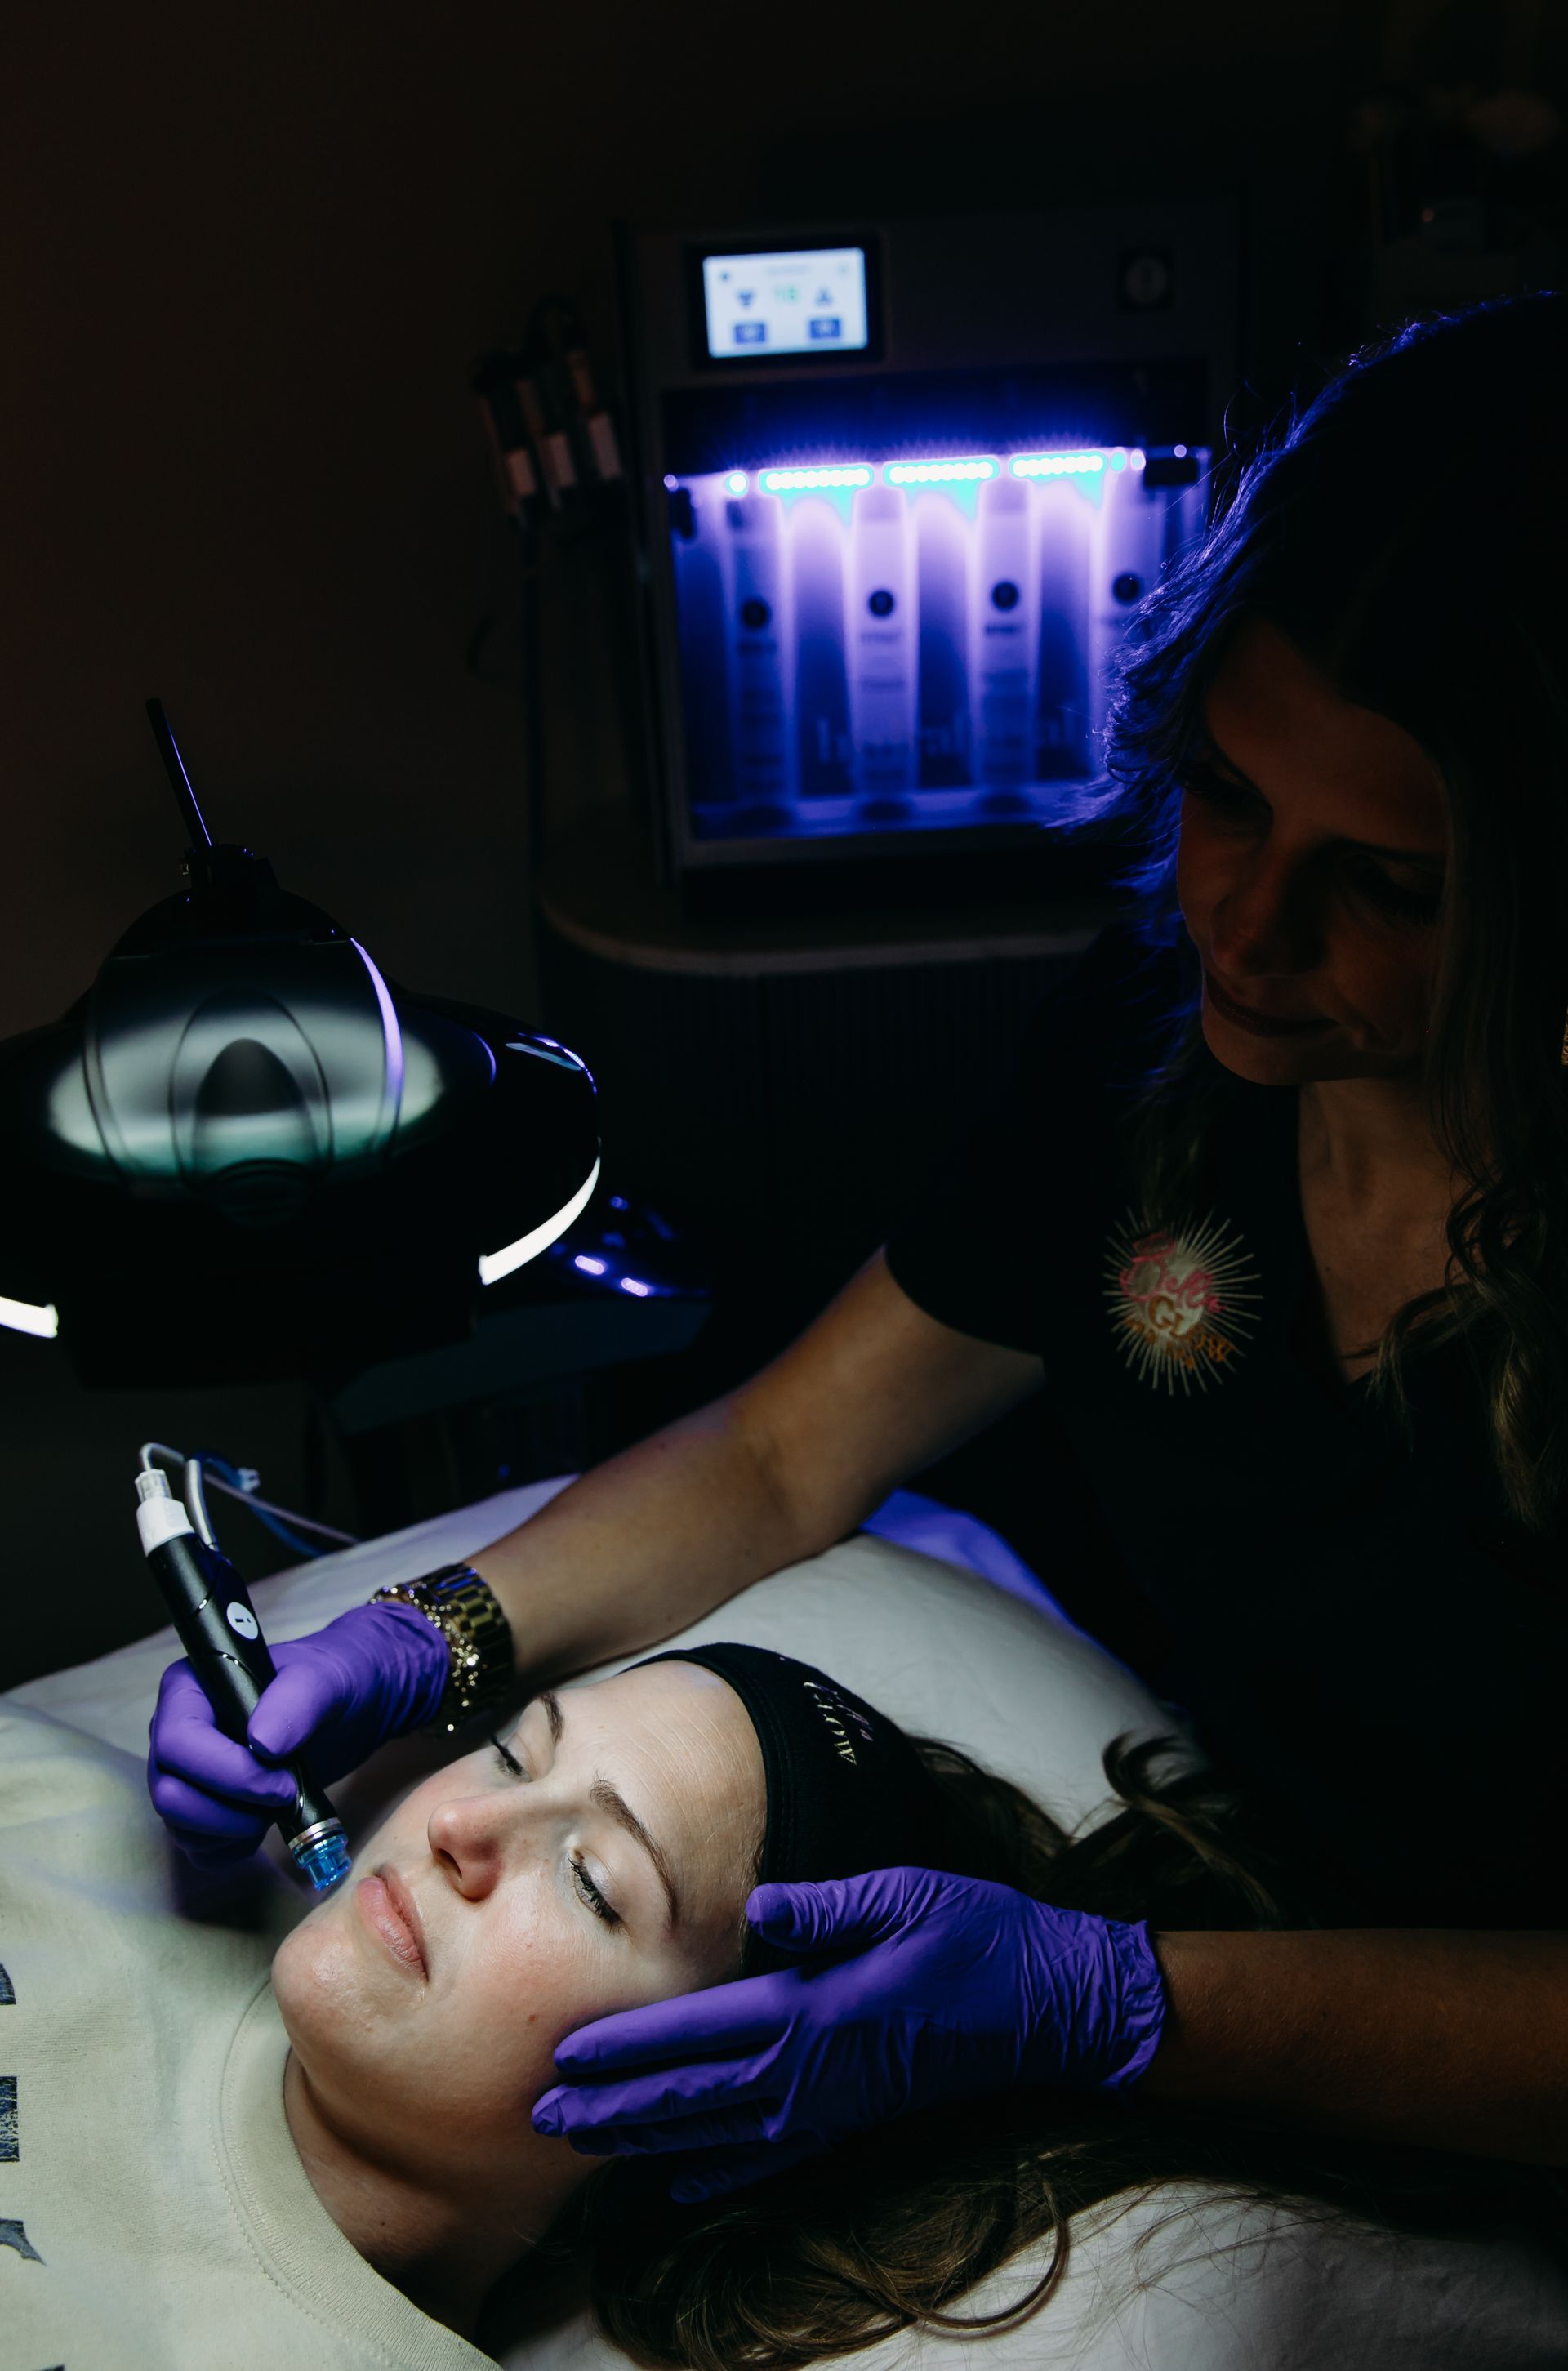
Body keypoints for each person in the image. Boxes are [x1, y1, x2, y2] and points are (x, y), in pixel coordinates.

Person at [148, 292, 1568, 2211]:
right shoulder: (1164, 1053)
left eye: (1388, 887)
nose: (1244, 925)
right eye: (1225, 793)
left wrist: (1125, 2007)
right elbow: (784, 1454)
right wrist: (429, 1639)